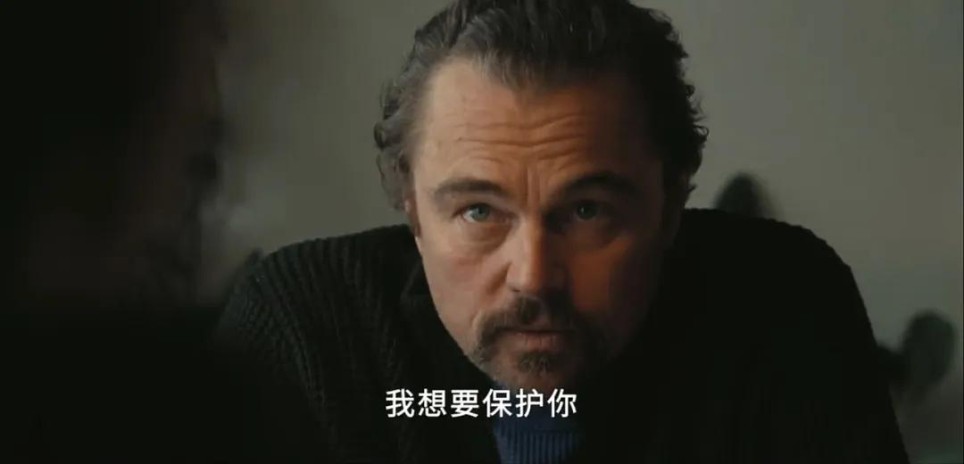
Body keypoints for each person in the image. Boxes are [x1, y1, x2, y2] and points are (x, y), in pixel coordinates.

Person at [215, 0, 909, 462]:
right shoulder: (304, 330)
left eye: (586, 212)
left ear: (670, 205)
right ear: (412, 210)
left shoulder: (784, 304)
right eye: (479, 212)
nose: (534, 278)